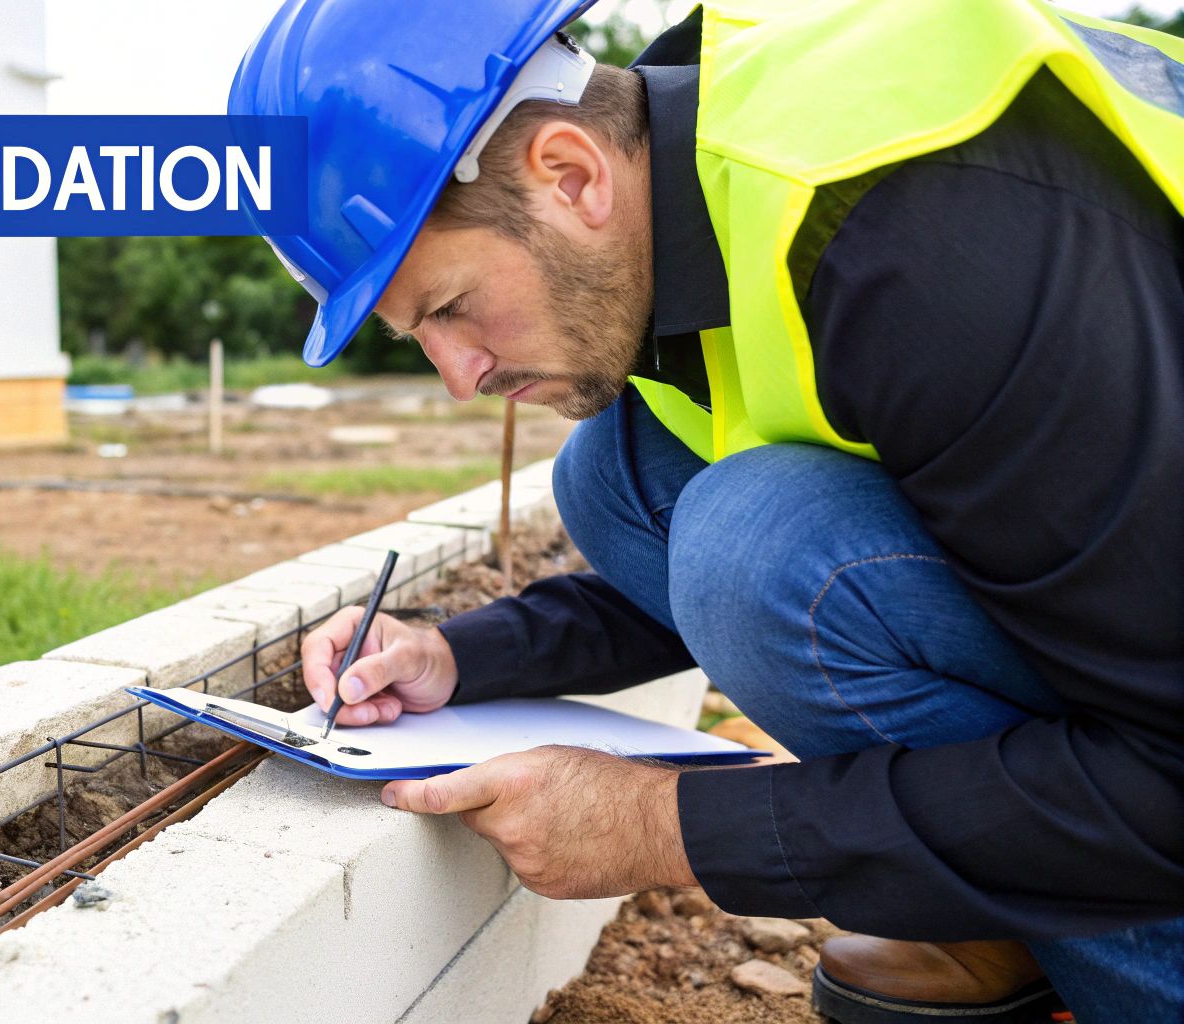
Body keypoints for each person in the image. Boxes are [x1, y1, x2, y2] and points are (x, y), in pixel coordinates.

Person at [232, 0, 1184, 1020]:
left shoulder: (922, 245)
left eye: (449, 308)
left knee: (756, 545)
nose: (458, 376)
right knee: (619, 474)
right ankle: (1004, 916)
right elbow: (901, 530)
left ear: (569, 174)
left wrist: (667, 826)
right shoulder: (687, 201)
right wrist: (461, 658)